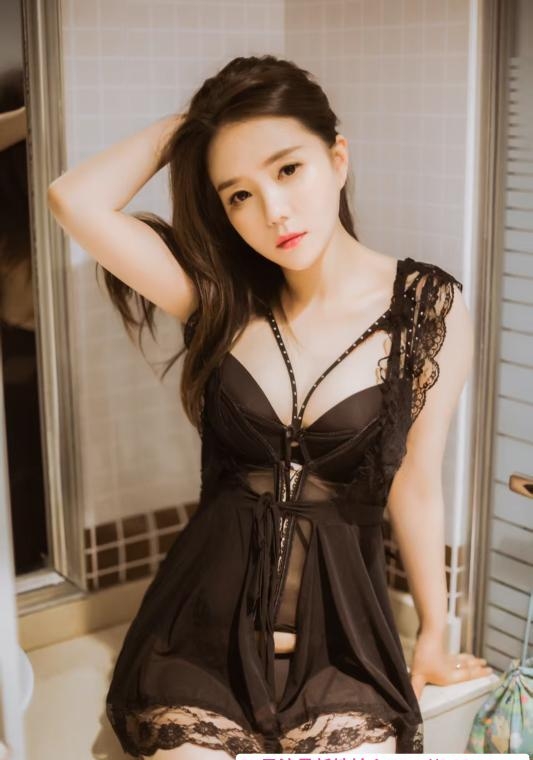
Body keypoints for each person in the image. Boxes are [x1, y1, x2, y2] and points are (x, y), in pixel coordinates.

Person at [48, 54, 492, 758]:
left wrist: (434, 635)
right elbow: (73, 199)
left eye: (287, 169)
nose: (272, 212)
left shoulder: (425, 308)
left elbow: (416, 481)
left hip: (342, 647)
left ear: (337, 159)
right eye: (238, 195)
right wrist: (195, 125)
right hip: (198, 644)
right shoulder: (220, 300)